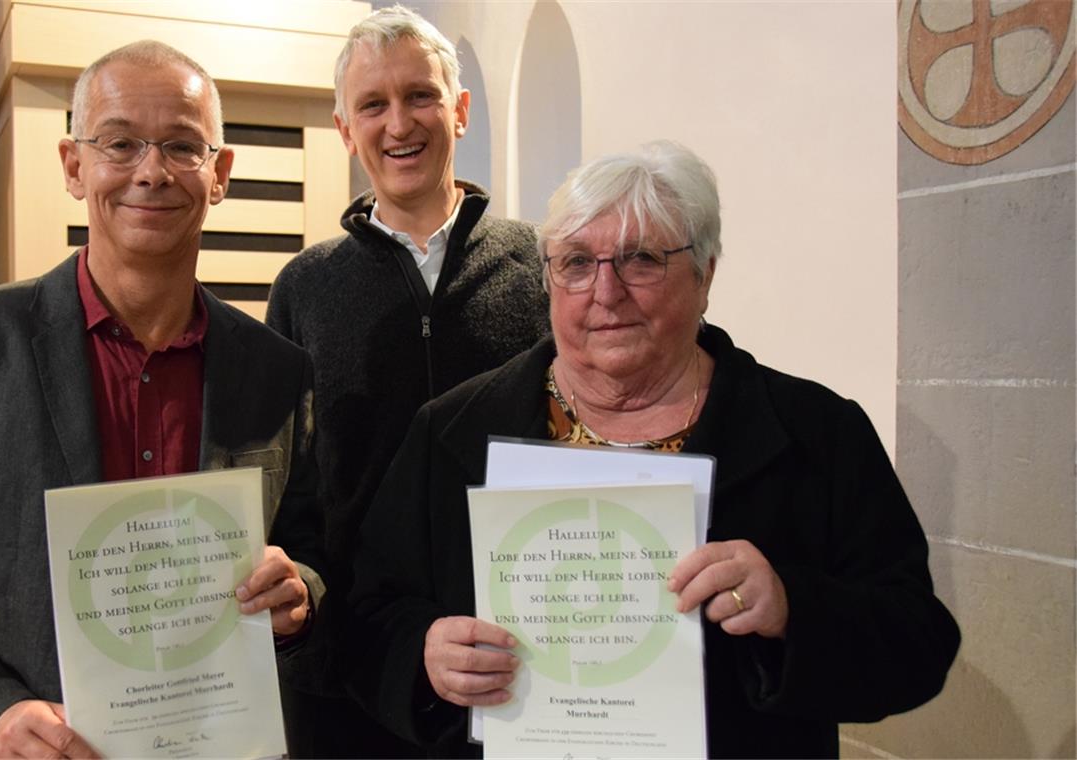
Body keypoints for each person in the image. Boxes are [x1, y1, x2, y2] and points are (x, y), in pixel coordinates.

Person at [347, 142, 960, 758]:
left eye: (641, 259)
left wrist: (792, 608)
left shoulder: (817, 432)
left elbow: (918, 643)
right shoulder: (451, 432)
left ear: (705, 275)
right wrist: (422, 653)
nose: (605, 292)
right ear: (549, 280)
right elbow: (369, 617)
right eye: (577, 263)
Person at [0, 41, 324, 759]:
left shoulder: (279, 371)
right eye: (120, 143)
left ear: (219, 175)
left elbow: (313, 552)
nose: (151, 171)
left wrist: (301, 592)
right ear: (74, 165)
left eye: (182, 146)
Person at [265, 5, 549, 757]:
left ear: (458, 111)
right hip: (350, 675)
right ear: (343, 129)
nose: (400, 124)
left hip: (518, 661)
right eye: (373, 104)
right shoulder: (304, 287)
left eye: (420, 96)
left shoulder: (544, 266)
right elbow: (284, 486)